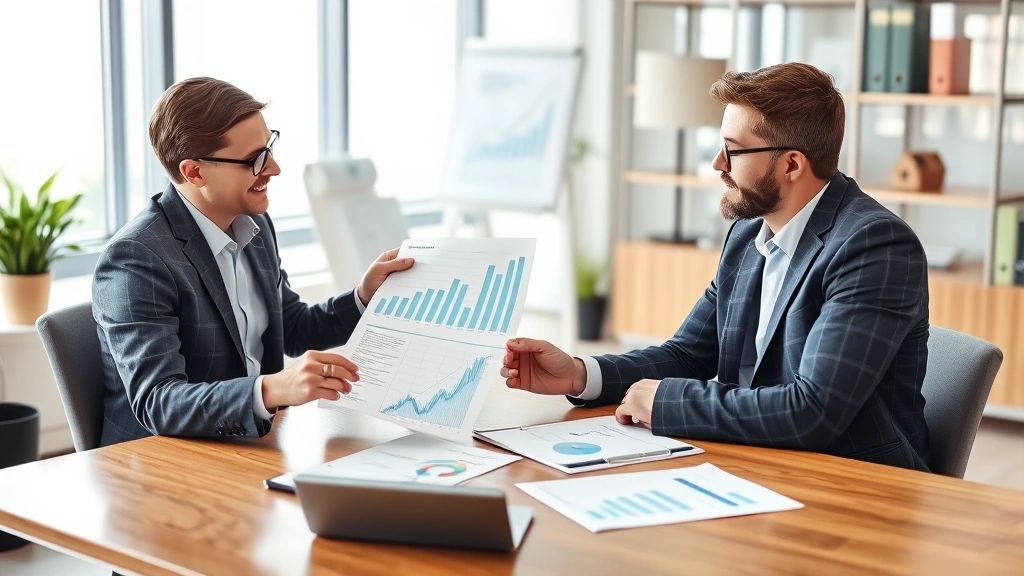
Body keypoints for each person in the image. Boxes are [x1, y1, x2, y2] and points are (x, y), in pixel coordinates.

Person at [502, 63, 931, 471]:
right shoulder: (748, 236)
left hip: (854, 480)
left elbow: (814, 411)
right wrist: (579, 374)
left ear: (792, 164)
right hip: (756, 459)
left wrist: (668, 402)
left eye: (734, 150)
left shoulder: (874, 246)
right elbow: (688, 354)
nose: (717, 164)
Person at [92, 77, 412, 446]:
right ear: (193, 172)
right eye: (254, 160)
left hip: (253, 443)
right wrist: (271, 390)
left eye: (269, 148)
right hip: (161, 462)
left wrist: (364, 295)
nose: (273, 168)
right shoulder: (135, 258)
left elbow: (292, 327)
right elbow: (158, 402)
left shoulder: (254, 225)